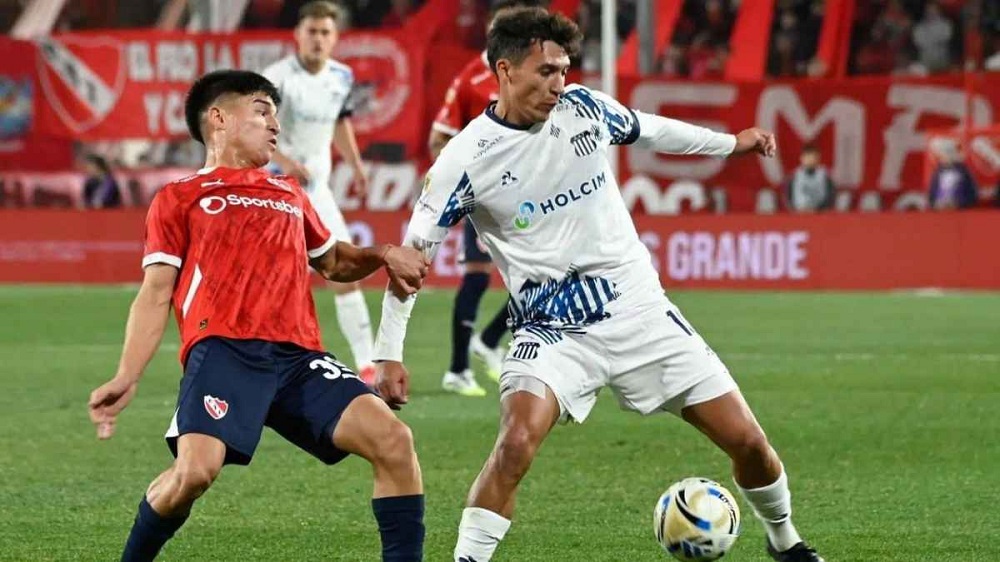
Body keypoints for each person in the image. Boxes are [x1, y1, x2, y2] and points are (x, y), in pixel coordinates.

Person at [372, 8, 823, 562]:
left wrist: (732, 143)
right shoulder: (463, 161)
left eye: (564, 70)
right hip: (551, 330)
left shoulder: (583, 108)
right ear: (505, 70)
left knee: (748, 442)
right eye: (546, 71)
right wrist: (388, 354)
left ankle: (786, 541)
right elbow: (410, 261)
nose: (559, 84)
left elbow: (652, 129)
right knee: (515, 444)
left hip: (638, 310)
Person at [87, 69, 428, 562]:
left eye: (276, 115)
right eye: (262, 110)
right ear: (219, 118)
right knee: (194, 474)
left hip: (297, 358)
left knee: (394, 441)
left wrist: (383, 254)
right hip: (224, 353)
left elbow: (334, 261)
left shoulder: (289, 192)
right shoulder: (180, 196)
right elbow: (156, 292)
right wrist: (127, 375)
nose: (275, 125)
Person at [428, 0, 545, 397]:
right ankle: (459, 368)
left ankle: (490, 340)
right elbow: (439, 138)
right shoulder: (471, 79)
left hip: (528, 195)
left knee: (545, 275)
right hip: (486, 197)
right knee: (478, 276)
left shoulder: (534, 74)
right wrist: (467, 179)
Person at [263, 1, 378, 383]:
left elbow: (340, 122)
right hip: (275, 192)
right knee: (275, 280)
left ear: (335, 38)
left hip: (318, 193)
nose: (317, 39)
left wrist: (356, 165)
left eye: (325, 32)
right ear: (297, 35)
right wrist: (284, 161)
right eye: (311, 31)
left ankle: (367, 364)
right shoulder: (277, 79)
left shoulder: (342, 77)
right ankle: (264, 360)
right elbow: (255, 129)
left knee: (343, 271)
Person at [928, 137, 978, 210]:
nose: (941, 158)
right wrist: (934, 203)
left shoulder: (963, 172)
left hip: (959, 210)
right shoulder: (938, 172)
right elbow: (932, 193)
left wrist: (960, 203)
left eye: (943, 155)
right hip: (939, 209)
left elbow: (972, 194)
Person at [784, 144, 834, 212]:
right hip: (799, 213)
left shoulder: (825, 176)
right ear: (801, 158)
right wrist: (794, 209)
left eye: (813, 157)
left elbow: (830, 196)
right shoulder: (794, 176)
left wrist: (819, 209)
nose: (810, 159)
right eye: (807, 156)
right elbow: (788, 196)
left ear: (818, 158)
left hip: (819, 213)